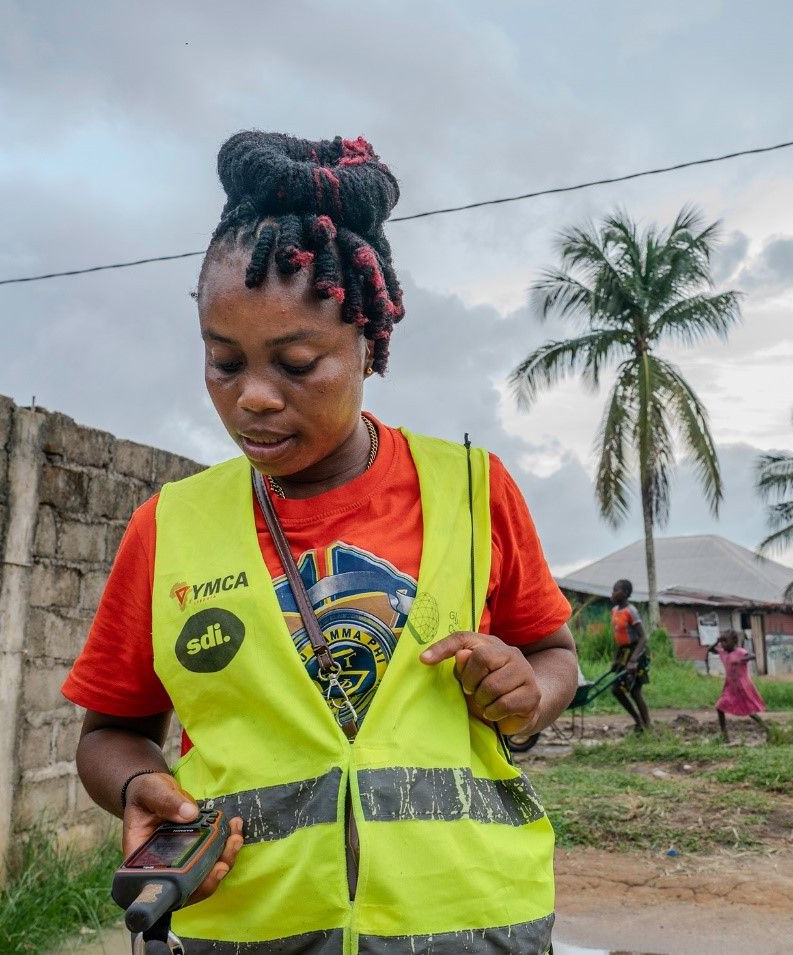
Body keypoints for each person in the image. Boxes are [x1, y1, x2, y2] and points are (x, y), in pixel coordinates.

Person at [61, 131, 578, 954]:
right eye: (223, 362)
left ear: (369, 346)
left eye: (298, 363)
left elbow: (554, 653)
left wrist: (530, 692)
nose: (253, 399)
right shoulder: (169, 526)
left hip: (471, 924)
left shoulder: (476, 492)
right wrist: (136, 782)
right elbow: (108, 732)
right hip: (249, 930)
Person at [707, 630, 767, 742]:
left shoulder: (740, 651)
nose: (723, 644)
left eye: (725, 641)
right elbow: (710, 650)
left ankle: (767, 729)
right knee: (720, 707)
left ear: (734, 641)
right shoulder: (723, 652)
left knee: (749, 712)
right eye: (722, 641)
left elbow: (752, 656)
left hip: (742, 686)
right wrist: (717, 641)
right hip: (730, 687)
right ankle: (724, 735)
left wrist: (741, 659)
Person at [609, 579, 652, 733]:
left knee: (634, 691)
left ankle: (647, 726)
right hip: (623, 653)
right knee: (617, 690)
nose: (613, 593)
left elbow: (643, 638)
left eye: (616, 590)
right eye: (613, 590)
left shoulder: (631, 611)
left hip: (636, 654)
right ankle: (638, 721)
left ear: (625, 593)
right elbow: (619, 638)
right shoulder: (615, 611)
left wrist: (633, 660)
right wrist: (616, 660)